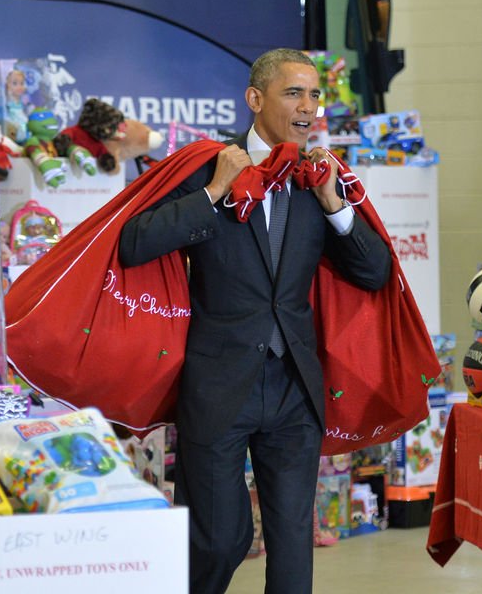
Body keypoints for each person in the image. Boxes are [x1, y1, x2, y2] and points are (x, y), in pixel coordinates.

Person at [118, 48, 393, 594]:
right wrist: (214, 191)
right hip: (219, 385)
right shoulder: (204, 166)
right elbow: (134, 242)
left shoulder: (319, 178)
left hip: (295, 388)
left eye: (315, 95)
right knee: (220, 539)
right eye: (295, 93)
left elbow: (374, 271)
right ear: (255, 99)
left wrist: (336, 207)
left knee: (294, 550)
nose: (309, 106)